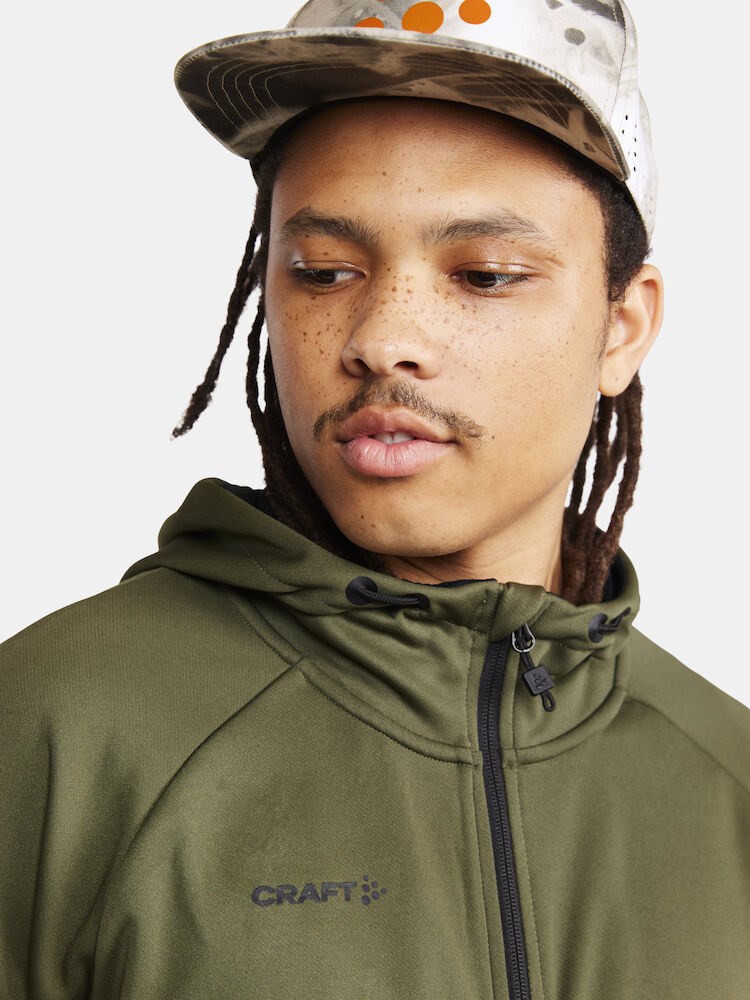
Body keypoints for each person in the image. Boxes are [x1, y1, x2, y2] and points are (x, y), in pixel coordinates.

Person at [1, 1, 748, 998]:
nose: (382, 338)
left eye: (485, 275)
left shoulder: (727, 780)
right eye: (323, 272)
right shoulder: (54, 725)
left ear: (622, 327)